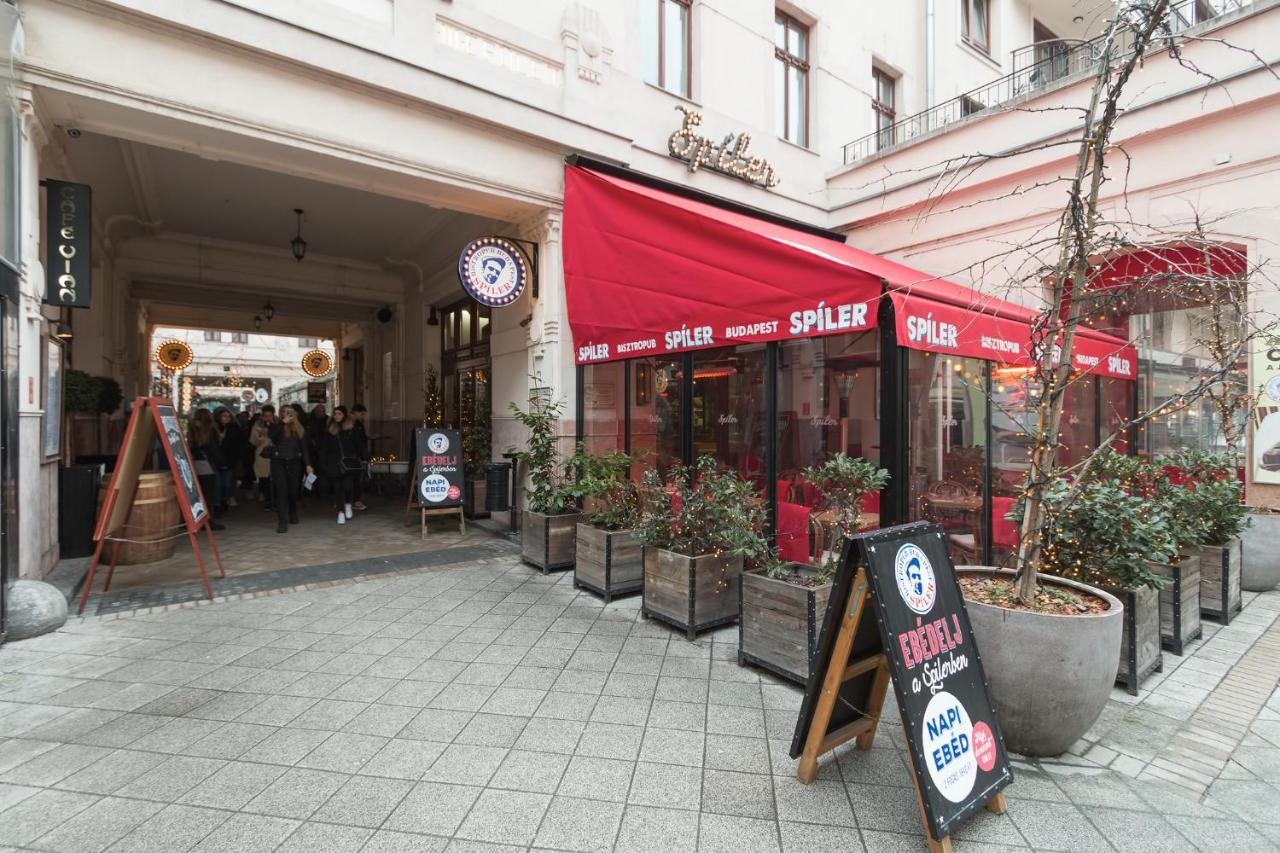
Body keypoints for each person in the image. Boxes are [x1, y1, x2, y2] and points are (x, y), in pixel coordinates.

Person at [264, 405, 313, 533]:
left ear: (294, 414)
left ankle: (293, 511)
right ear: (280, 414)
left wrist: (308, 464)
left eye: (289, 413)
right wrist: (282, 423)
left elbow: (304, 449)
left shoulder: (299, 428)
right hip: (278, 461)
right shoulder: (275, 426)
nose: (287, 415)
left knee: (292, 491)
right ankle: (282, 521)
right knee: (281, 491)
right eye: (284, 412)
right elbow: (271, 436)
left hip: (295, 462)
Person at [317, 405, 360, 525]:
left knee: (347, 486)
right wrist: (323, 463)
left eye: (339, 414)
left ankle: (347, 505)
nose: (336, 416)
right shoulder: (329, 430)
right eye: (335, 413)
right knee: (337, 488)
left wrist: (364, 457)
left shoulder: (351, 429)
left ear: (344, 415)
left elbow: (358, 444)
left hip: (348, 463)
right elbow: (324, 448)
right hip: (334, 463)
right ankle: (340, 512)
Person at [187, 408, 226, 530]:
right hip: (208, 464)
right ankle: (209, 521)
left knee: (198, 493)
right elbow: (214, 449)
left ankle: (196, 519)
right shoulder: (210, 430)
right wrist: (221, 462)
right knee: (209, 494)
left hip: (195, 463)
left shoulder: (192, 429)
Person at [213, 408, 244, 510]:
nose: (226, 418)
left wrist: (236, 459)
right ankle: (219, 503)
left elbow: (238, 445)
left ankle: (225, 499)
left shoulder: (234, 428)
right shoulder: (214, 428)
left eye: (228, 416)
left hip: (230, 460)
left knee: (227, 483)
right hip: (216, 460)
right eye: (224, 416)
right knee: (218, 484)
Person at [248, 405, 276, 509]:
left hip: (275, 453)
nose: (268, 418)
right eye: (265, 416)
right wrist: (262, 435)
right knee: (264, 478)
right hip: (262, 454)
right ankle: (267, 500)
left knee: (276, 478)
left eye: (270, 415)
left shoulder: (278, 423)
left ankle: (275, 500)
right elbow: (253, 440)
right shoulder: (257, 425)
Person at [350, 403, 370, 511]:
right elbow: (358, 441)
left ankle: (350, 501)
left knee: (354, 479)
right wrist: (365, 455)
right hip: (355, 455)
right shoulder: (355, 424)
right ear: (356, 412)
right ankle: (355, 501)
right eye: (362, 414)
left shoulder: (355, 423)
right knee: (356, 479)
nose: (363, 416)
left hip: (353, 455)